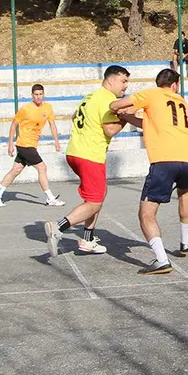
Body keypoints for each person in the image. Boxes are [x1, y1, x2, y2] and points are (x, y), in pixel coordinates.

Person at [109, 69, 188, 275]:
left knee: (146, 213)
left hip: (164, 159)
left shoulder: (151, 94)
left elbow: (116, 104)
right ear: (175, 85)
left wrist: (116, 109)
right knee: (185, 193)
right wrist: (130, 118)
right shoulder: (181, 101)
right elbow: (150, 124)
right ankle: (185, 242)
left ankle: (161, 260)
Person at [44, 66, 135, 256]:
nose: (125, 86)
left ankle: (87, 239)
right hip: (89, 155)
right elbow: (109, 130)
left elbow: (73, 116)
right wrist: (127, 118)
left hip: (74, 152)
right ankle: (58, 227)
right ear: (111, 81)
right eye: (123, 81)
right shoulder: (108, 100)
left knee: (97, 196)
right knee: (94, 202)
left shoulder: (90, 96)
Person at [0, 84, 64, 207]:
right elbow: (14, 125)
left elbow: (52, 125)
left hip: (32, 145)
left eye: (40, 94)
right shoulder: (25, 109)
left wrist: (56, 141)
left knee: (16, 170)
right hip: (24, 144)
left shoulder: (48, 108)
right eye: (36, 95)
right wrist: (10, 144)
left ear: (43, 94)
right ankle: (50, 198)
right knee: (42, 168)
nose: (38, 97)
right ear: (32, 95)